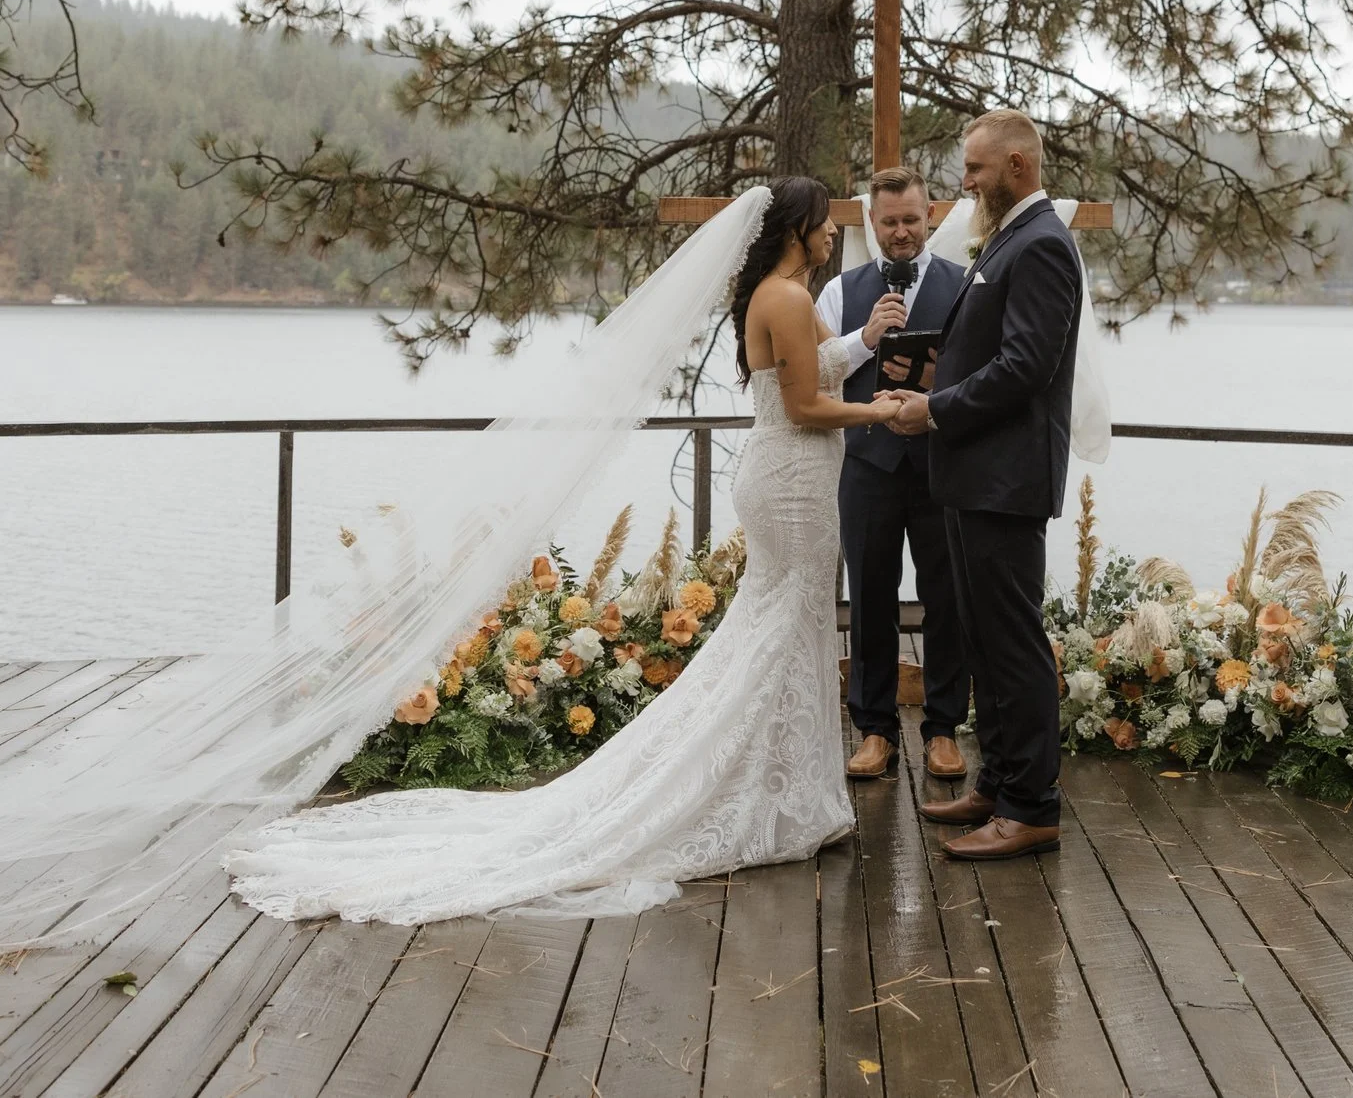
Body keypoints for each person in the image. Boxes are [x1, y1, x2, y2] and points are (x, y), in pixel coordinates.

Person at [219, 176, 905, 921]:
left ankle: (782, 789)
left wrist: (864, 342)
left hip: (783, 479)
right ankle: (776, 796)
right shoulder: (791, 297)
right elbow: (805, 405)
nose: (834, 232)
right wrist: (882, 409)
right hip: (796, 486)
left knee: (777, 631)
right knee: (781, 632)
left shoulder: (775, 297)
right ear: (796, 228)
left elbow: (800, 375)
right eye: (824, 222)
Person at [885, 109, 1081, 862]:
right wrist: (933, 372)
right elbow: (990, 347)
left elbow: (1027, 366)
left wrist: (934, 407)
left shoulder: (1042, 245)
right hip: (973, 474)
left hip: (1006, 478)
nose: (963, 182)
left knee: (1014, 643)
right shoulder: (1004, 236)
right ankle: (999, 783)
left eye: (975, 168)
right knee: (982, 639)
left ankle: (1033, 806)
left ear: (1019, 168)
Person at [815, 166, 970, 782]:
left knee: (946, 598)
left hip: (941, 466)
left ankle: (943, 729)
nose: (901, 232)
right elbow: (822, 373)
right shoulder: (839, 292)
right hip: (867, 467)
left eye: (911, 220)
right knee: (870, 599)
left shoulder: (963, 286)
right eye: (889, 222)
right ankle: (873, 730)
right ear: (871, 224)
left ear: (929, 216)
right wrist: (866, 336)